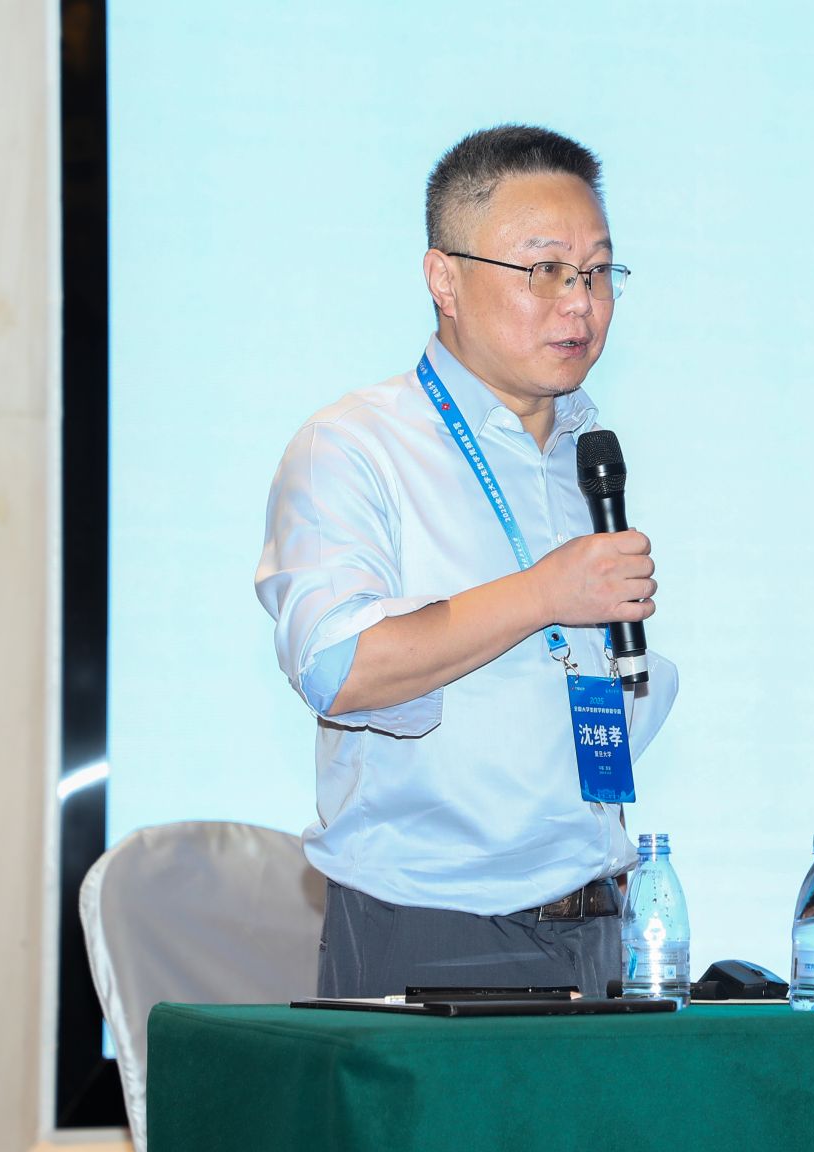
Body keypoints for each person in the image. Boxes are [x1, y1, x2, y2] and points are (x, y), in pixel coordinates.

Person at [256, 125, 676, 999]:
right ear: (444, 279)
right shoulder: (354, 448)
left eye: (598, 272)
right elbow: (339, 665)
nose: (580, 302)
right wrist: (545, 592)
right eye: (545, 269)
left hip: (598, 925)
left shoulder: (584, 455)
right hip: (430, 928)